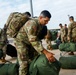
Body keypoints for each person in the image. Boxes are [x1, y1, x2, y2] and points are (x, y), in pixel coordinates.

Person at [15, 10, 55, 75]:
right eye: (45, 20)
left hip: (29, 42)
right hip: (21, 42)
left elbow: (37, 39)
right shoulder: (32, 23)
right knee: (24, 63)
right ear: (40, 17)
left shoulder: (41, 25)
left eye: (48, 21)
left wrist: (44, 52)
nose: (47, 23)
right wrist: (46, 53)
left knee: (34, 58)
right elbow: (33, 40)